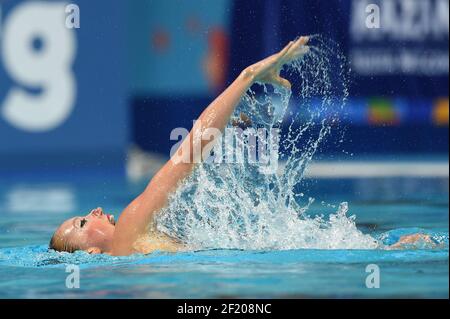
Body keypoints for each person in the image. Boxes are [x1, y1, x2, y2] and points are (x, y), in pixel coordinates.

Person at [49, 37, 435, 255]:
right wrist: (247, 76)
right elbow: (190, 151)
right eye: (81, 223)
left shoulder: (127, 261)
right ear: (89, 255)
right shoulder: (129, 230)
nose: (94, 211)